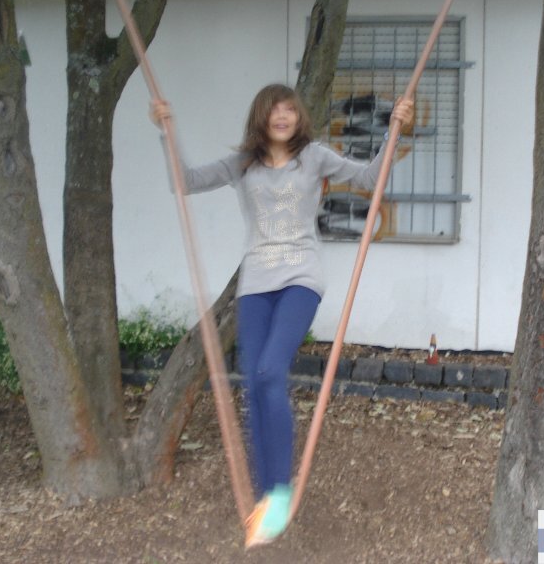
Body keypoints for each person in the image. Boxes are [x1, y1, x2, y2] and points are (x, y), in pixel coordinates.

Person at [150, 84, 414, 547]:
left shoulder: (314, 157)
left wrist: (395, 129)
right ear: (261, 116)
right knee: (254, 382)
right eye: (274, 109)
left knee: (271, 371)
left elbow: (370, 178)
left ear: (298, 117)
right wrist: (166, 131)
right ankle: (265, 496)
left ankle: (277, 491)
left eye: (290, 109)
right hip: (256, 285)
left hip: (300, 280)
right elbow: (184, 180)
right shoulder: (243, 164)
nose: (282, 115)